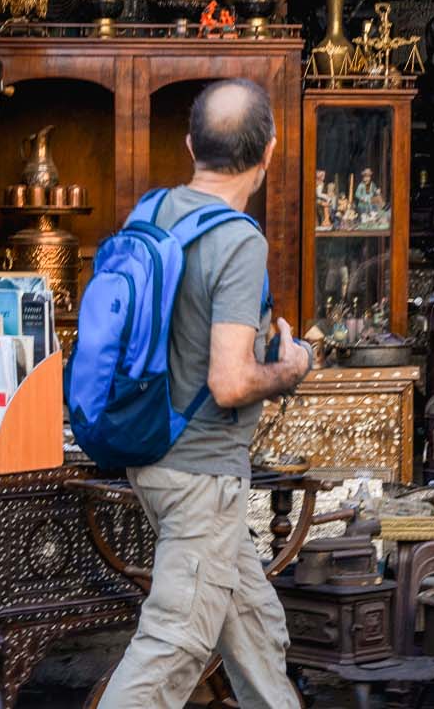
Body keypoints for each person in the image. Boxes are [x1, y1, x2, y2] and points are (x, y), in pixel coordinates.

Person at [97, 78, 313, 709]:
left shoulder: (154, 211)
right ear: (271, 151)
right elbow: (230, 380)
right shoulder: (240, 241)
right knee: (173, 646)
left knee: (253, 626)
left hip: (154, 455)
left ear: (190, 144)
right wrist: (291, 366)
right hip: (202, 474)